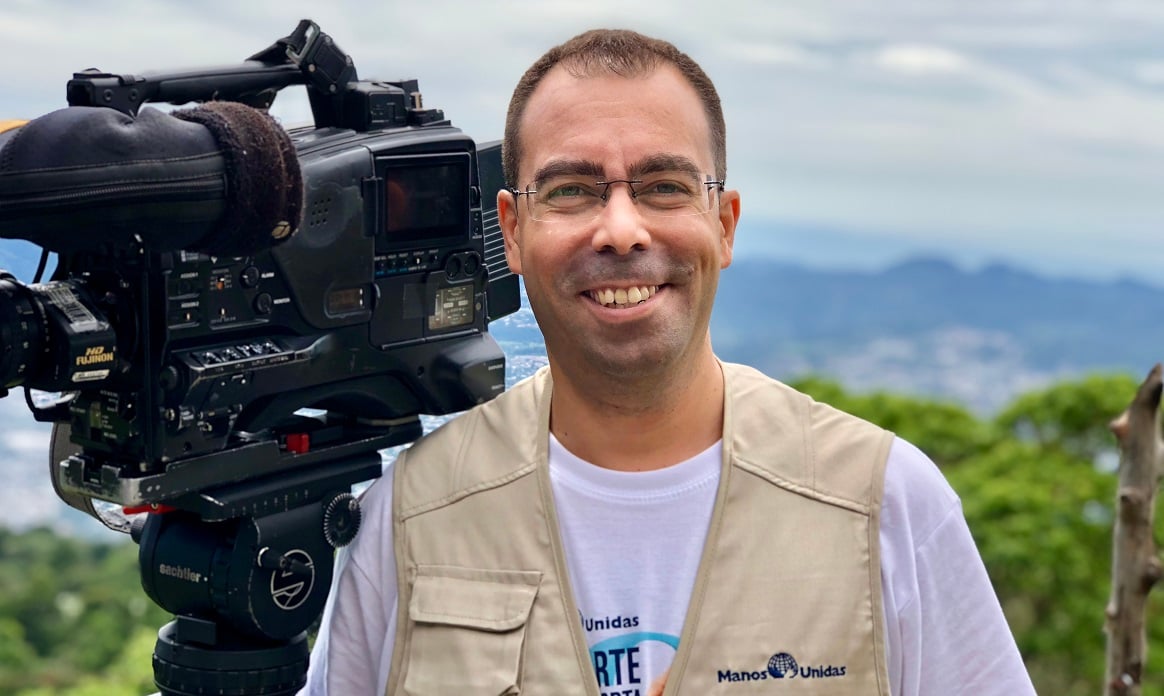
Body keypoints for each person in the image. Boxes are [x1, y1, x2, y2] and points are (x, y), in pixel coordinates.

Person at [304, 29, 1035, 695]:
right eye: (571, 191)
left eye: (664, 188)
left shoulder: (884, 505)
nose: (621, 230)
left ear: (724, 224)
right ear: (513, 232)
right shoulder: (409, 518)